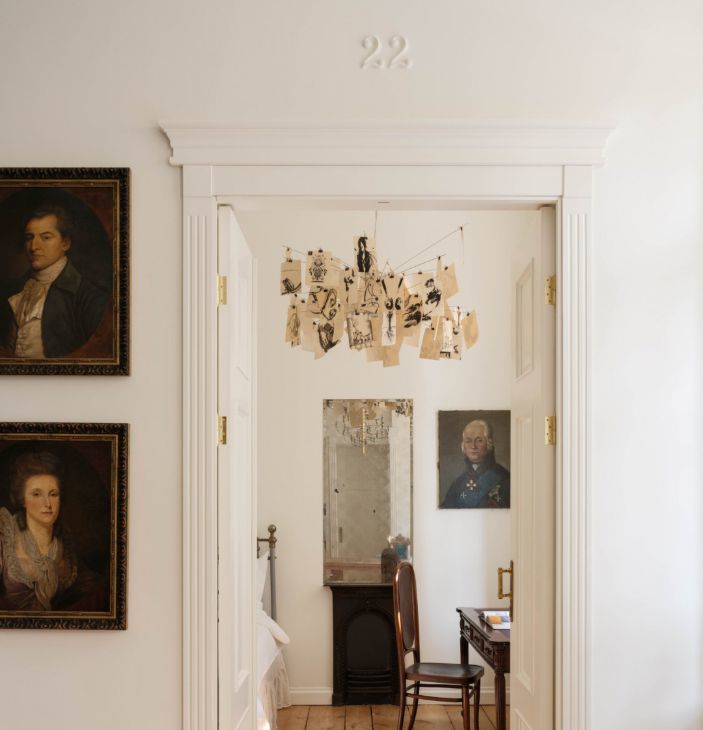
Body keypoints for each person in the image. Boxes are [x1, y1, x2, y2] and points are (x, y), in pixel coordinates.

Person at [0, 205, 108, 358]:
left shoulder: (89, 297)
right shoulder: (12, 290)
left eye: (46, 237)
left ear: (65, 243)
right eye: (29, 237)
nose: (34, 247)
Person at [0, 451, 103, 611]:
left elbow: (88, 586)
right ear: (23, 499)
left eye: (53, 494)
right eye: (36, 494)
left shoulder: (64, 544)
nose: (47, 503)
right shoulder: (5, 538)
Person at [441, 419, 510, 508]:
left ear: (489, 443)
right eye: (468, 441)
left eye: (479, 440)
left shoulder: (505, 479)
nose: (473, 446)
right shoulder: (457, 485)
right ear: (463, 446)